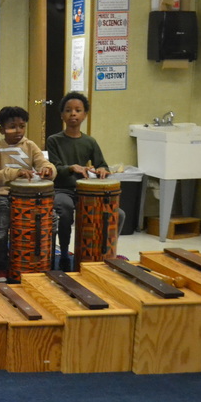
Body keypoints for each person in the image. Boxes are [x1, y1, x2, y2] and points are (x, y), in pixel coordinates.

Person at [46, 92, 124, 271]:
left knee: (118, 214)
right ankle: (64, 253)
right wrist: (72, 167)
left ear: (85, 115)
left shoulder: (90, 141)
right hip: (62, 190)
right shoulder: (54, 140)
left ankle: (106, 251)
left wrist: (103, 170)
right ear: (62, 115)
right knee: (64, 210)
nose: (73, 114)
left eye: (77, 110)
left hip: (86, 192)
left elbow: (102, 164)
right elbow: (56, 168)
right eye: (68, 110)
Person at [0, 106, 56, 282]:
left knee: (49, 223)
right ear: (1, 129)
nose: (18, 131)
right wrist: (15, 173)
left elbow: (46, 164)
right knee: (1, 227)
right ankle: (1, 268)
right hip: (1, 195)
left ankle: (40, 262)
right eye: (12, 126)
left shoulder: (30, 146)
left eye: (22, 126)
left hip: (27, 197)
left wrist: (48, 170)